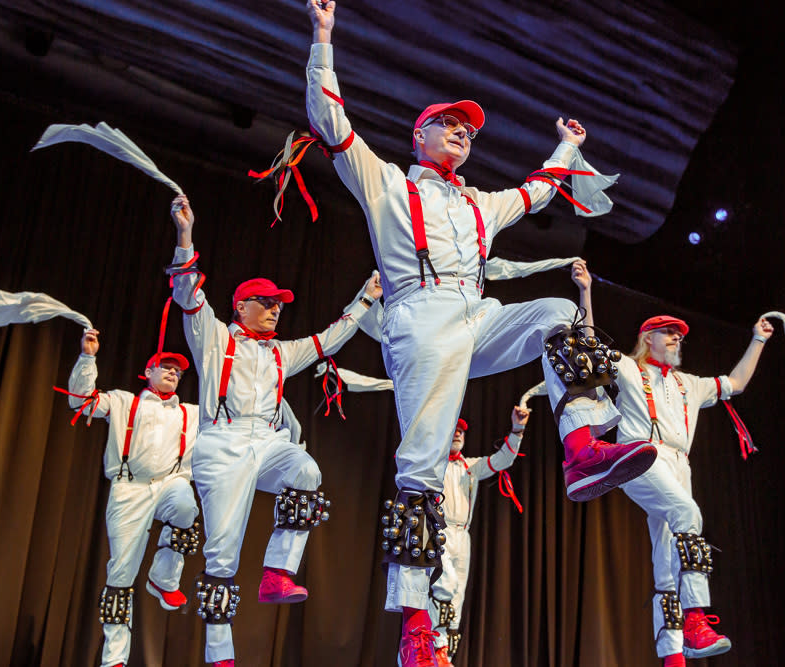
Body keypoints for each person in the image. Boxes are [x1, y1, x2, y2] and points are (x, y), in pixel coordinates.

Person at [304, 4, 657, 664]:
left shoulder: (477, 202)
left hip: (476, 313)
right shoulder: (384, 183)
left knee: (556, 311)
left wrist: (569, 146)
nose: (462, 133)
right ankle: (415, 627)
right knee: (423, 469)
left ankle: (581, 444)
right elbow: (330, 123)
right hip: (420, 321)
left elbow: (539, 191)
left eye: (468, 129)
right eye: (450, 124)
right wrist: (324, 38)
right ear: (420, 135)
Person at [167, 193, 381, 666]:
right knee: (222, 554)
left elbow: (329, 339)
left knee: (306, 472)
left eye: (279, 305)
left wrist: (367, 298)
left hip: (266, 442)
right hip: (222, 443)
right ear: (240, 306)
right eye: (264, 303)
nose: (274, 310)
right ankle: (219, 653)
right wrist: (185, 236)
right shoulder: (215, 337)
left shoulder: (282, 353)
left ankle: (276, 573)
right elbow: (186, 294)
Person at [571, 260, 774, 665]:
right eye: (669, 333)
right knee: (687, 513)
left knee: (666, 561)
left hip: (680, 464)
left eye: (680, 335)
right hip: (641, 456)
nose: (677, 339)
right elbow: (589, 344)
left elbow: (735, 384)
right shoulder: (629, 369)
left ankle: (673, 658)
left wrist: (758, 341)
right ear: (648, 338)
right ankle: (697, 618)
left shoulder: (690, 384)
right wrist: (586, 291)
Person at [65, 329, 200, 667]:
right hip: (130, 489)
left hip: (170, 482)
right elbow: (79, 402)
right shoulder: (124, 401)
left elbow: (235, 421)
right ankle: (114, 660)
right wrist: (88, 357)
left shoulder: (193, 413)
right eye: (165, 367)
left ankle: (163, 578)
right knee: (120, 573)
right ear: (148, 372)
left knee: (186, 506)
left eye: (178, 370)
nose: (172, 372)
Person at [429, 408, 528, 667]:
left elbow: (503, 459)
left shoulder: (469, 467)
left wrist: (517, 430)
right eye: (454, 430)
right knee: (444, 585)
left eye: (462, 430)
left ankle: (446, 657)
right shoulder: (433, 464)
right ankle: (434, 646)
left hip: (463, 536)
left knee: (457, 597)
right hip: (439, 532)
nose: (458, 433)